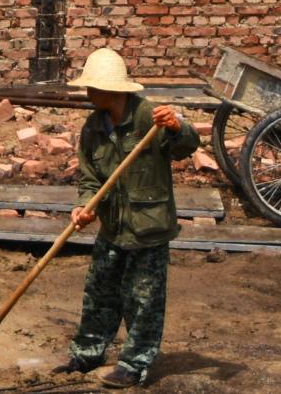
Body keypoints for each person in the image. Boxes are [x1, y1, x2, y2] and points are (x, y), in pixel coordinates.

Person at [57, 47, 200, 389]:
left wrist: (178, 126)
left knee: (144, 299)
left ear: (112, 89)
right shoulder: (93, 128)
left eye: (93, 86)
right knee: (99, 292)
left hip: (148, 228)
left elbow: (187, 146)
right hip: (112, 226)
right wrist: (84, 206)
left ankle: (134, 364)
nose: (88, 93)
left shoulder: (151, 117)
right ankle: (88, 352)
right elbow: (91, 178)